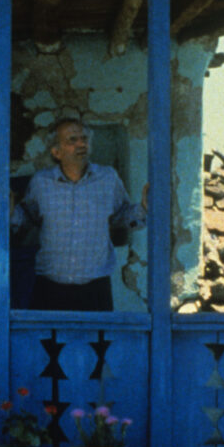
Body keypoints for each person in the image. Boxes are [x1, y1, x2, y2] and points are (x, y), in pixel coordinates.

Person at [12, 119, 148, 311]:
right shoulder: (41, 183)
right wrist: (6, 211)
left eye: (84, 139)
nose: (81, 144)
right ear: (56, 152)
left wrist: (144, 208)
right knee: (47, 341)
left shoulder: (108, 178)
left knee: (97, 340)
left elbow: (121, 215)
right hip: (50, 289)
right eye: (72, 140)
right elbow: (27, 217)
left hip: (95, 290)